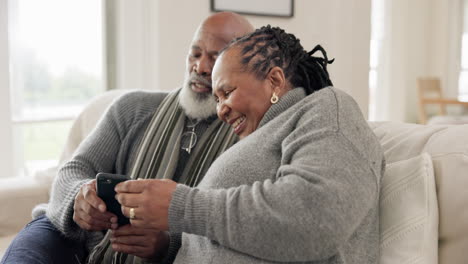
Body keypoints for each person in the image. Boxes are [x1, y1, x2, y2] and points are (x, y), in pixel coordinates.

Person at [114, 25, 386, 263]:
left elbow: (318, 217)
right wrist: (167, 247)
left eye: (227, 93)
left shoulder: (328, 109)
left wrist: (182, 206)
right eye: (216, 99)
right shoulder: (260, 136)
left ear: (275, 80)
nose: (220, 110)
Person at [1, 12, 254, 264]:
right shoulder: (132, 108)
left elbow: (239, 228)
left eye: (216, 57)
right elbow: (73, 169)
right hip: (75, 239)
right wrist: (79, 199)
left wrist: (168, 244)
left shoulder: (251, 135)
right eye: (195, 54)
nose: (200, 67)